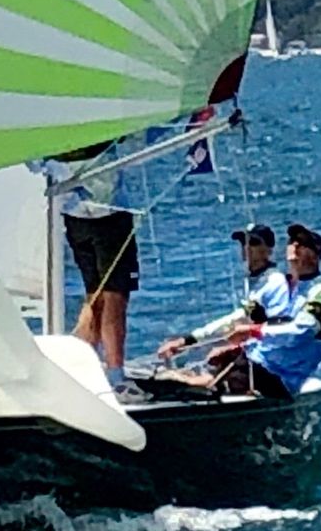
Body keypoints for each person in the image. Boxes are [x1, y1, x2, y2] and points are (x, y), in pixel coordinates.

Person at [163, 222, 321, 400]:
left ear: (316, 256)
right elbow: (241, 319)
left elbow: (302, 331)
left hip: (282, 378)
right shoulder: (286, 287)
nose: (295, 245)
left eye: (303, 243)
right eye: (292, 241)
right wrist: (191, 340)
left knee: (190, 384)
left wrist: (252, 332)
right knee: (198, 375)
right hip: (259, 365)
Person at [59, 142, 140, 377]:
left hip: (74, 214)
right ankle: (116, 377)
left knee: (95, 294)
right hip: (108, 213)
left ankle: (85, 370)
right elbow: (138, 133)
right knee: (114, 296)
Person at [156, 223, 289, 363]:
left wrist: (233, 347)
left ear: (268, 250)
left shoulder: (275, 281)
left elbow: (281, 329)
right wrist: (186, 341)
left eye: (254, 243)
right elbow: (233, 321)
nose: (247, 247)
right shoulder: (253, 281)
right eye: (243, 242)